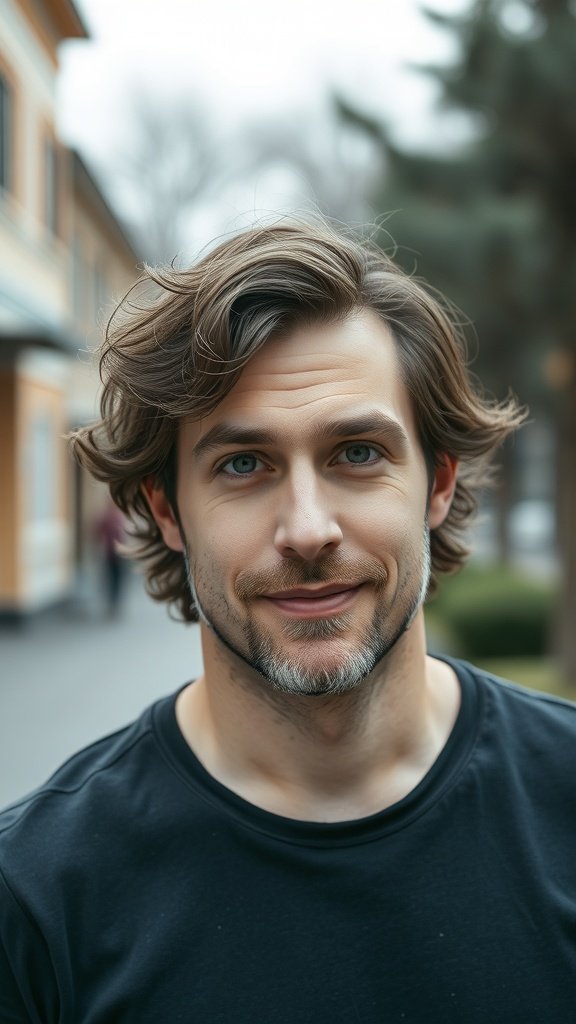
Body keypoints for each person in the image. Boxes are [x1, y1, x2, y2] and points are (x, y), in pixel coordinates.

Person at [1, 221, 575, 1023]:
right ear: (169, 510)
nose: (308, 529)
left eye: (358, 453)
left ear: (437, 484)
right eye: (243, 464)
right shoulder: (34, 895)